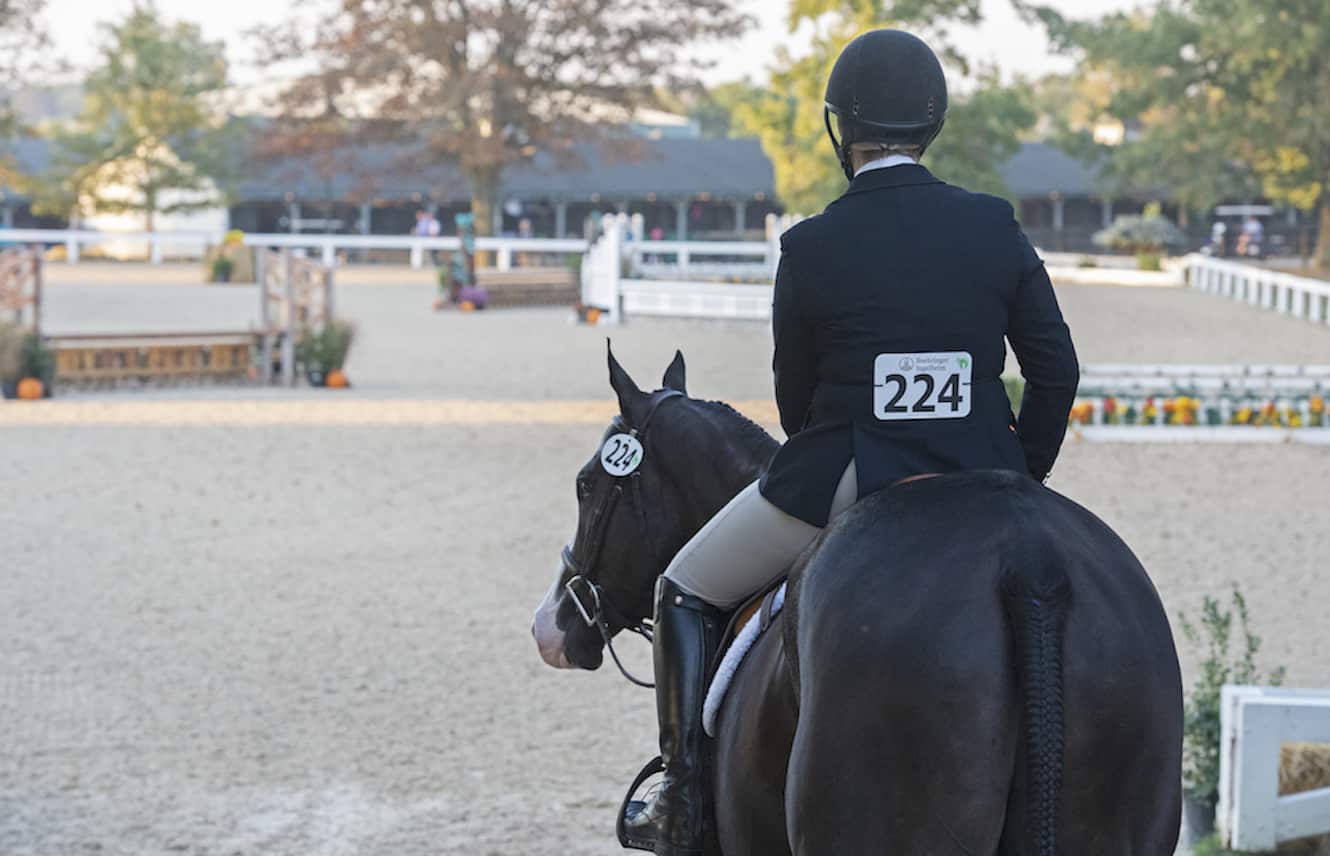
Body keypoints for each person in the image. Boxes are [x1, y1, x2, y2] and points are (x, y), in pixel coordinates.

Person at [621, 29, 1080, 855]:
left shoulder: (810, 245)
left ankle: (681, 800)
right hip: (987, 472)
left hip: (849, 471)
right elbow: (1057, 372)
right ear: (931, 124)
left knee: (682, 589)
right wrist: (1022, 474)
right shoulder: (993, 225)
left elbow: (796, 407)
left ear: (842, 130)